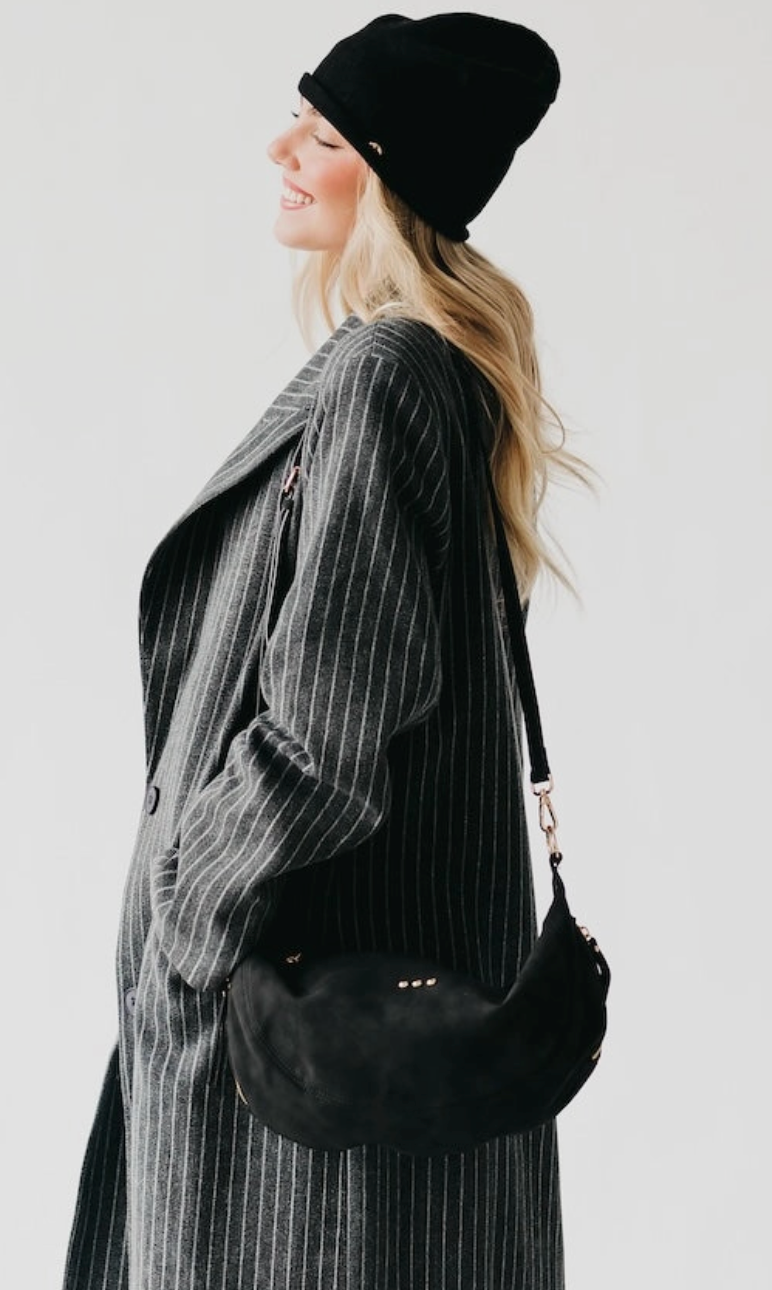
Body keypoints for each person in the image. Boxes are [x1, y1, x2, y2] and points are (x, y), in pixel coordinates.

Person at [63, 13, 593, 1289]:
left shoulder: (385, 377)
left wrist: (188, 911)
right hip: (340, 1058)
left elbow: (325, 730)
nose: (281, 150)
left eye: (322, 133)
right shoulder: (426, 376)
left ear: (391, 174)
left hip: (294, 1074)